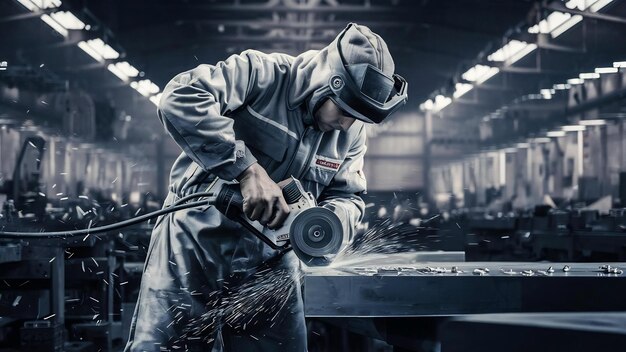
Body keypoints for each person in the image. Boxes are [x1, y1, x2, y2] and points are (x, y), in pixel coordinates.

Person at [125, 22, 407, 351]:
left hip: (270, 261)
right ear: (326, 81)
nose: (347, 124)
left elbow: (349, 197)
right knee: (167, 347)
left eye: (359, 117)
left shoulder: (351, 133)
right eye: (344, 110)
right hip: (194, 242)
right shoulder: (262, 73)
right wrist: (246, 170)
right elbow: (180, 97)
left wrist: (325, 222)